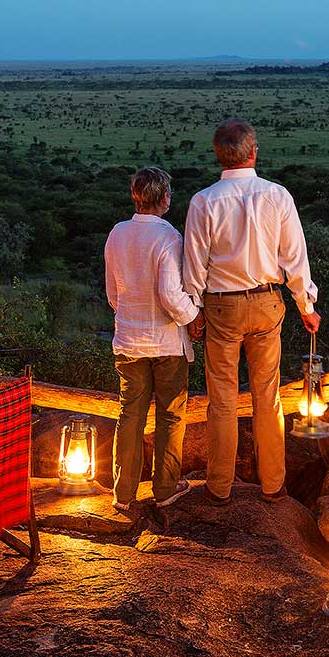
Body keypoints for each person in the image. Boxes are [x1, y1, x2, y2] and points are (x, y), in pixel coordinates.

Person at [183, 118, 319, 506]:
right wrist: (306, 306)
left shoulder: (203, 201)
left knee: (223, 399)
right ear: (253, 151)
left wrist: (194, 311)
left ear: (218, 155)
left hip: (222, 307)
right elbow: (295, 259)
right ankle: (273, 486)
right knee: (267, 395)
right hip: (266, 302)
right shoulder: (277, 196)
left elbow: (194, 266)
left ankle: (219, 487)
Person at [104, 166, 202, 512]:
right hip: (165, 343)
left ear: (136, 196)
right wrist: (194, 317)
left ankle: (123, 492)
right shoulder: (169, 238)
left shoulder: (116, 234)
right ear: (164, 198)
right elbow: (171, 295)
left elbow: (113, 294)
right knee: (171, 414)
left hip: (128, 340)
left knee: (130, 414)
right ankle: (165, 487)